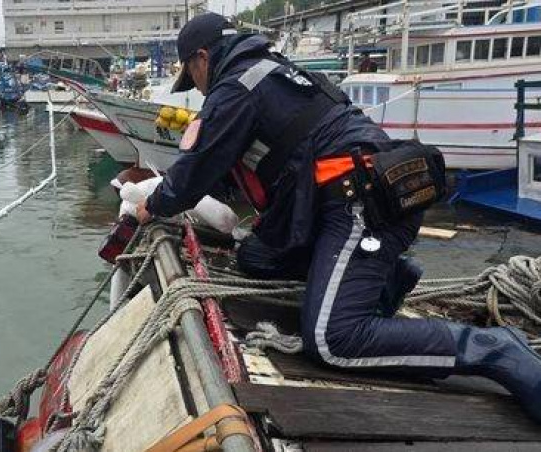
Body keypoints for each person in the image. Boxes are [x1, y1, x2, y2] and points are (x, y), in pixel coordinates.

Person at [135, 12, 541, 422]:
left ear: (202, 57)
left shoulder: (235, 88)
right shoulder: (272, 71)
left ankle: (494, 349)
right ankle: (387, 277)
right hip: (353, 195)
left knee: (335, 339)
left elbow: (195, 171)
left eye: (192, 76)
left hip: (360, 204)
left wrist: (150, 206)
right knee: (256, 258)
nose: (198, 90)